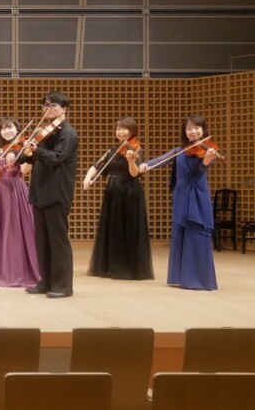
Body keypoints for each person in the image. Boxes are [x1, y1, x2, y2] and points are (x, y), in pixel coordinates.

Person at [11, 92, 79, 298]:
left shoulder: (68, 134)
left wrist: (37, 150)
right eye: (45, 105)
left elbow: (57, 157)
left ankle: (63, 286)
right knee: (42, 241)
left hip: (57, 193)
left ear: (64, 109)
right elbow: (32, 159)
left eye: (53, 105)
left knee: (58, 242)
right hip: (40, 192)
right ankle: (45, 281)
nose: (47, 109)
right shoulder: (44, 132)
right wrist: (21, 154)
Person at [139, 115, 218, 291]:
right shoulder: (180, 150)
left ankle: (199, 279)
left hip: (197, 195)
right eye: (189, 128)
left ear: (203, 130)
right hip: (181, 195)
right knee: (181, 234)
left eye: (197, 128)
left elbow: (200, 171)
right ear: (185, 132)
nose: (193, 131)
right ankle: (183, 277)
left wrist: (207, 159)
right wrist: (146, 164)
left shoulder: (207, 150)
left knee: (197, 233)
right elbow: (161, 160)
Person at [84, 117, 153, 281]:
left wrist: (130, 160)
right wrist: (88, 177)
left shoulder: (137, 150)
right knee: (113, 228)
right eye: (118, 128)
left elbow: (135, 173)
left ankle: (127, 268)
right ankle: (110, 266)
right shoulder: (113, 150)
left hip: (130, 191)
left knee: (128, 228)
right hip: (113, 191)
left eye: (124, 128)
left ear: (132, 131)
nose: (120, 131)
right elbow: (97, 165)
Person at [0, 117, 40, 287]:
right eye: (4, 129)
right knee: (0, 228)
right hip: (1, 190)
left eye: (10, 128)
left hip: (16, 189)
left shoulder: (23, 147)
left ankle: (17, 270)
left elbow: (24, 170)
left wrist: (23, 154)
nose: (7, 131)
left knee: (15, 228)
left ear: (17, 130)